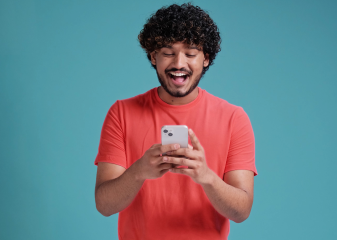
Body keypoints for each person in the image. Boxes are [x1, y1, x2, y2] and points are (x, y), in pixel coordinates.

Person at [94, 3, 257, 240]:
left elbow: (241, 211)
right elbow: (104, 205)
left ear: (206, 59)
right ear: (154, 57)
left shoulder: (234, 118)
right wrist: (139, 171)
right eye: (168, 52)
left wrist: (206, 176)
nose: (179, 63)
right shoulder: (121, 113)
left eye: (190, 53)